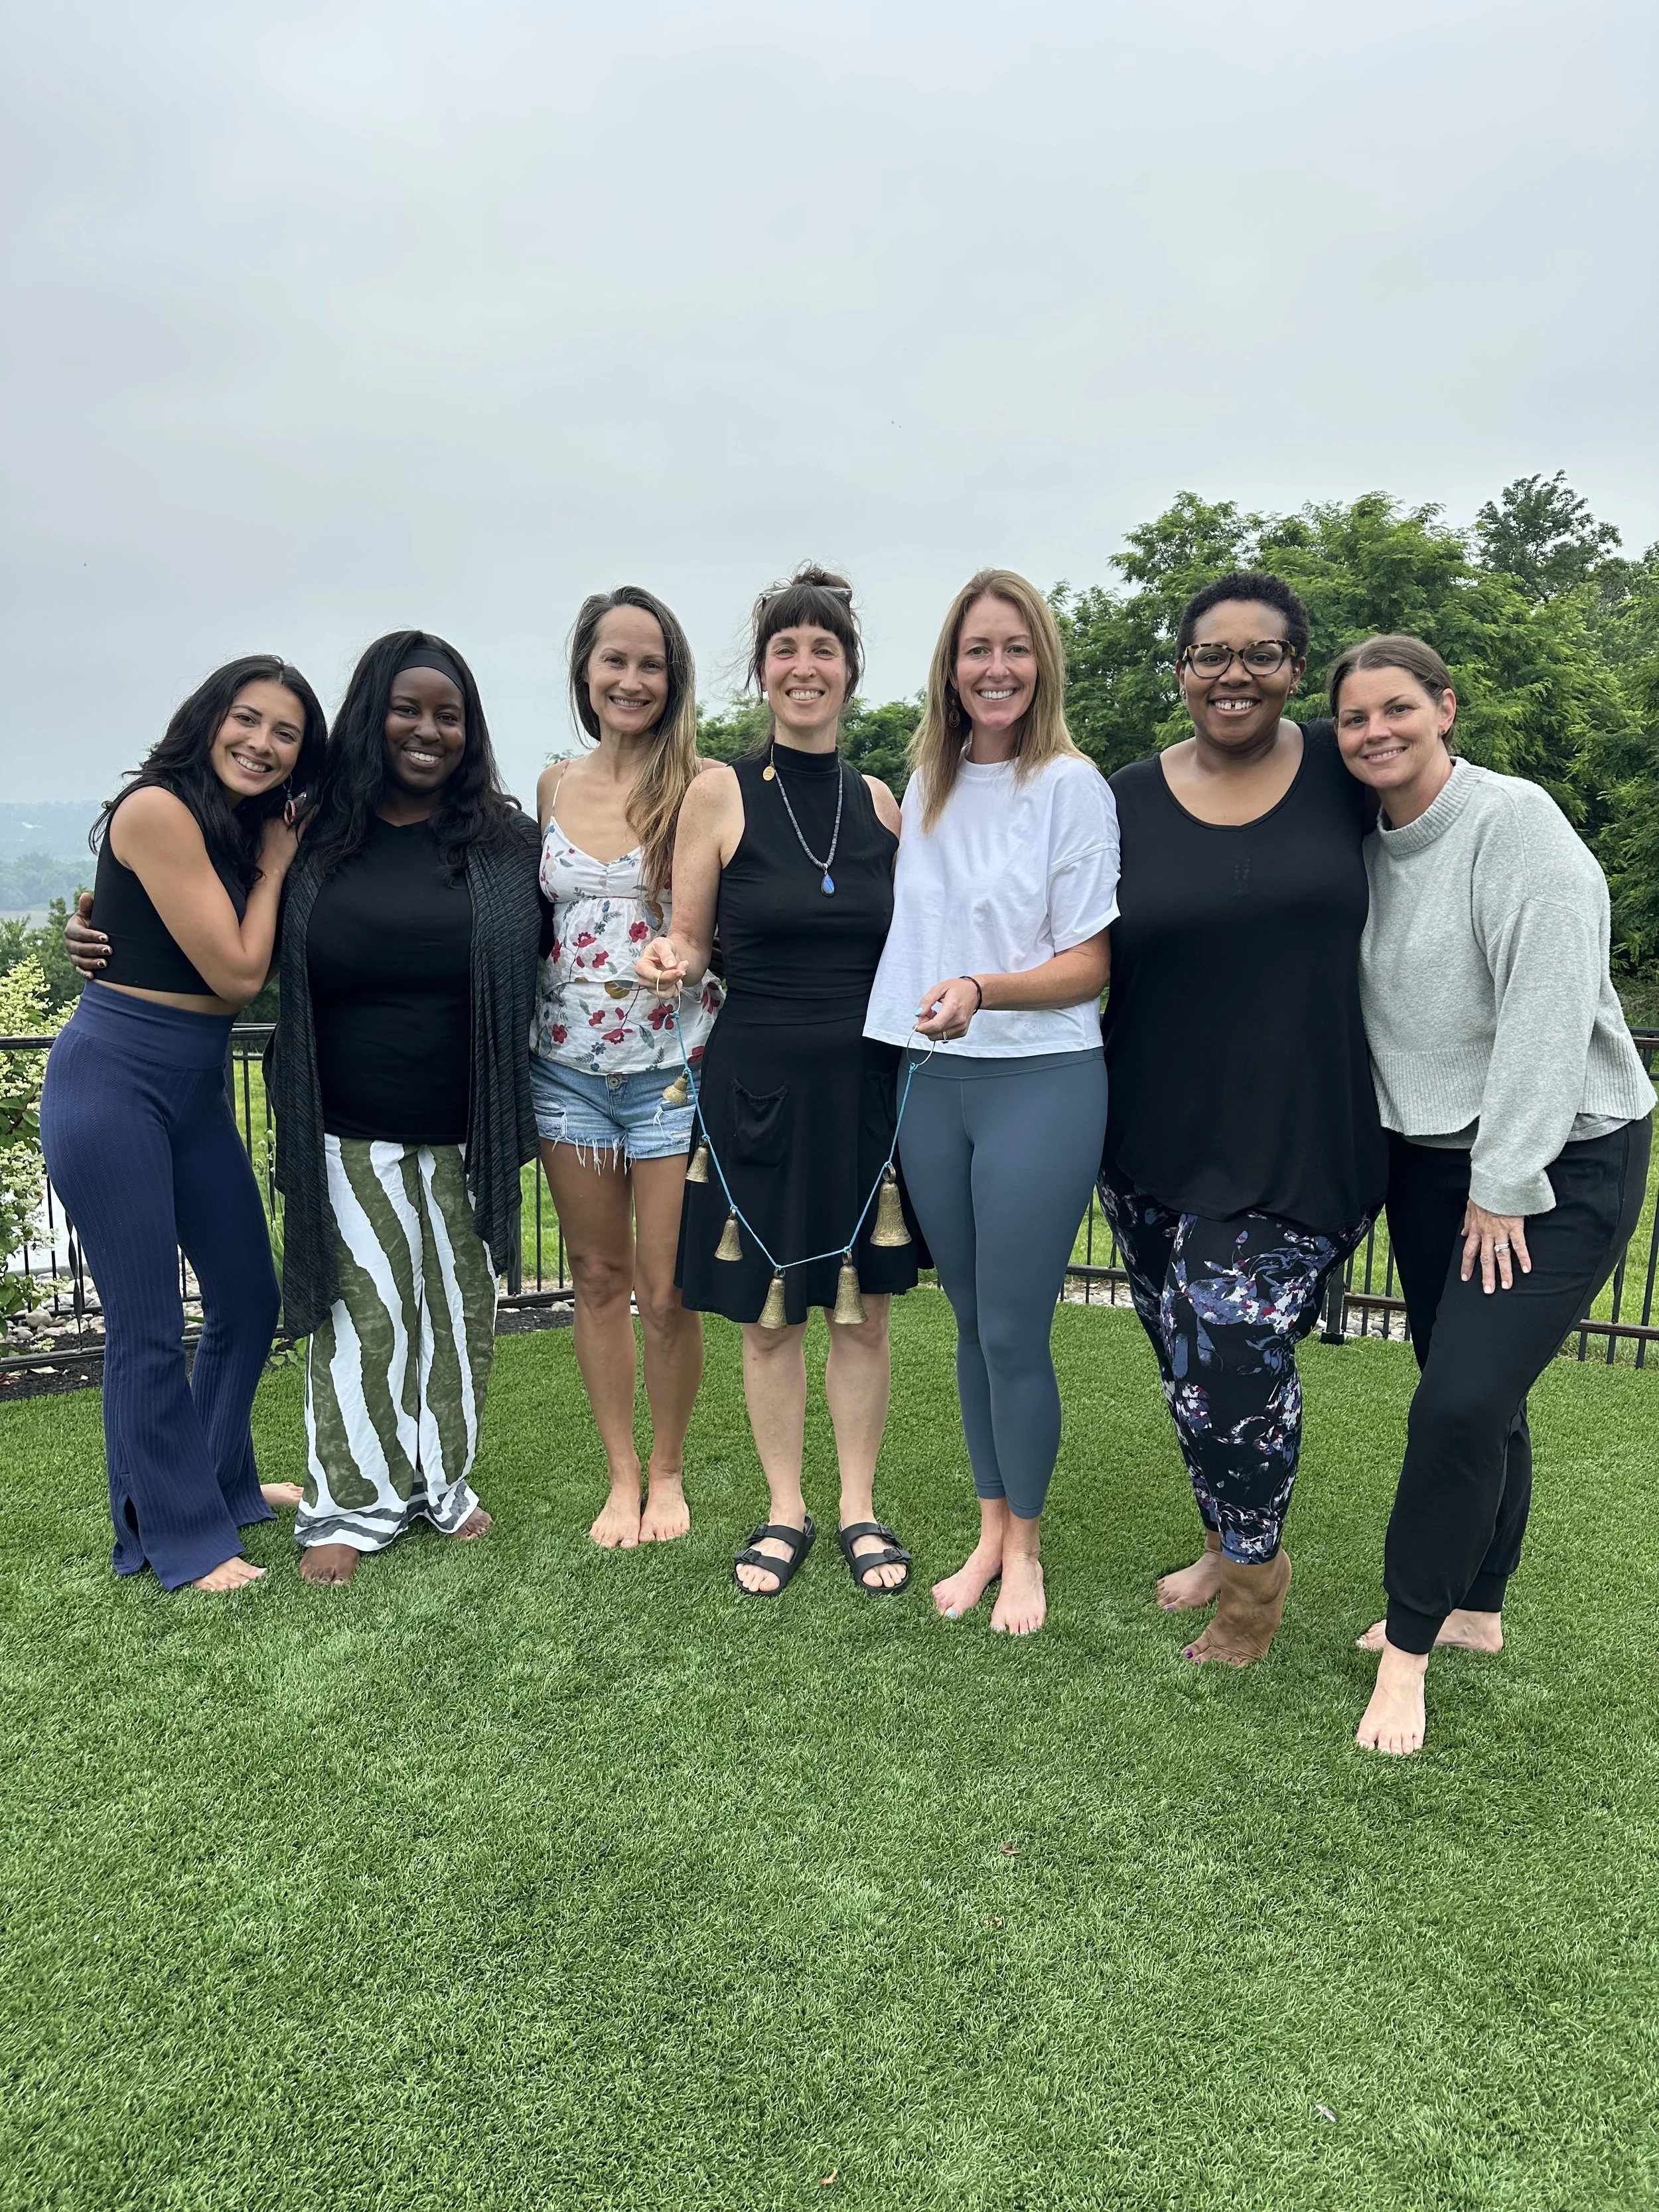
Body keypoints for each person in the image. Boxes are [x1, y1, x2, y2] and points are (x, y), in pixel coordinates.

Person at [1331, 634, 1654, 1755]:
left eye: (1397, 708)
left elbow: (1548, 1011)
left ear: (1445, 710)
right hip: (1434, 1162)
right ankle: (1479, 1610)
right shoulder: (1363, 844)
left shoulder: (1516, 825)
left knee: (1458, 1404)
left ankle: (1411, 1651)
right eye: (1355, 717)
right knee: (1476, 1390)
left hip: (1559, 1160)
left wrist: (1507, 1183)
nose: (1376, 731)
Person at [1098, 573, 1386, 1664]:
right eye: (1210, 655)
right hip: (1152, 1134)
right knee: (1184, 1356)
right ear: (1180, 672)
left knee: (1229, 1341)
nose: (1234, 675)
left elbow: (1445, 834)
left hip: (1304, 1128)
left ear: (1297, 670)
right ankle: (1225, 1538)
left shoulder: (1343, 772)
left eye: (1259, 655)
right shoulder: (1125, 795)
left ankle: (1257, 1584)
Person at [636, 566, 920, 1598]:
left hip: (866, 1087)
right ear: (763, 673)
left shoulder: (883, 800)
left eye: (825, 649)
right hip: (755, 1079)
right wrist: (667, 958)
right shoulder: (716, 791)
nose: (806, 666)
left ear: (850, 672)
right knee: (770, 1313)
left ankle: (857, 1507)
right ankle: (783, 1508)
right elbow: (688, 938)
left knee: (862, 1314)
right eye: (788, 649)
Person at [863, 571, 1117, 1636]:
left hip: (1041, 1077)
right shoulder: (916, 787)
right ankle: (986, 1530)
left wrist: (983, 989)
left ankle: (1028, 1552)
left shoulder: (1070, 785)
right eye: (977, 650)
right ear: (950, 667)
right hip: (933, 1082)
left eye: (1016, 648)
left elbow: (1091, 962)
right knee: (969, 1325)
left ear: (1041, 662)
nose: (996, 668)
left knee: (1014, 1329)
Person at [41, 655, 328, 1591]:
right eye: (247, 720)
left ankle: (219, 1480)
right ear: (209, 719)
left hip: (194, 1088)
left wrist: (276, 853)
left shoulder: (242, 826)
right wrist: (280, 865)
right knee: (147, 1326)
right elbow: (241, 975)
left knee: (248, 1298)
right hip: (115, 1079)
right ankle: (177, 1537)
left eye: (285, 733)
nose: (262, 742)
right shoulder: (161, 809)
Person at [267, 632, 545, 1585]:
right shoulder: (307, 834)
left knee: (458, 1319)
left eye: (449, 715)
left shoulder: (507, 847)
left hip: (466, 1134)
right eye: (408, 709)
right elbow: (211, 902)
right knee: (364, 1319)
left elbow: (592, 924)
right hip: (343, 1128)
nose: (429, 731)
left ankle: (442, 1486)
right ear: (370, 714)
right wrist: (104, 932)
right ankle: (349, 1502)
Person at [532, 587, 721, 1549]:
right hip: (565, 1071)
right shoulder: (553, 786)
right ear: (586, 671)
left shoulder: (706, 785)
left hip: (673, 1070)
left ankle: (670, 1471)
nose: (632, 679)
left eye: (651, 663)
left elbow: (734, 922)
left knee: (667, 1287)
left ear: (672, 677)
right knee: (597, 1277)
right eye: (615, 660)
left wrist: (695, 958)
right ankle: (619, 1476)